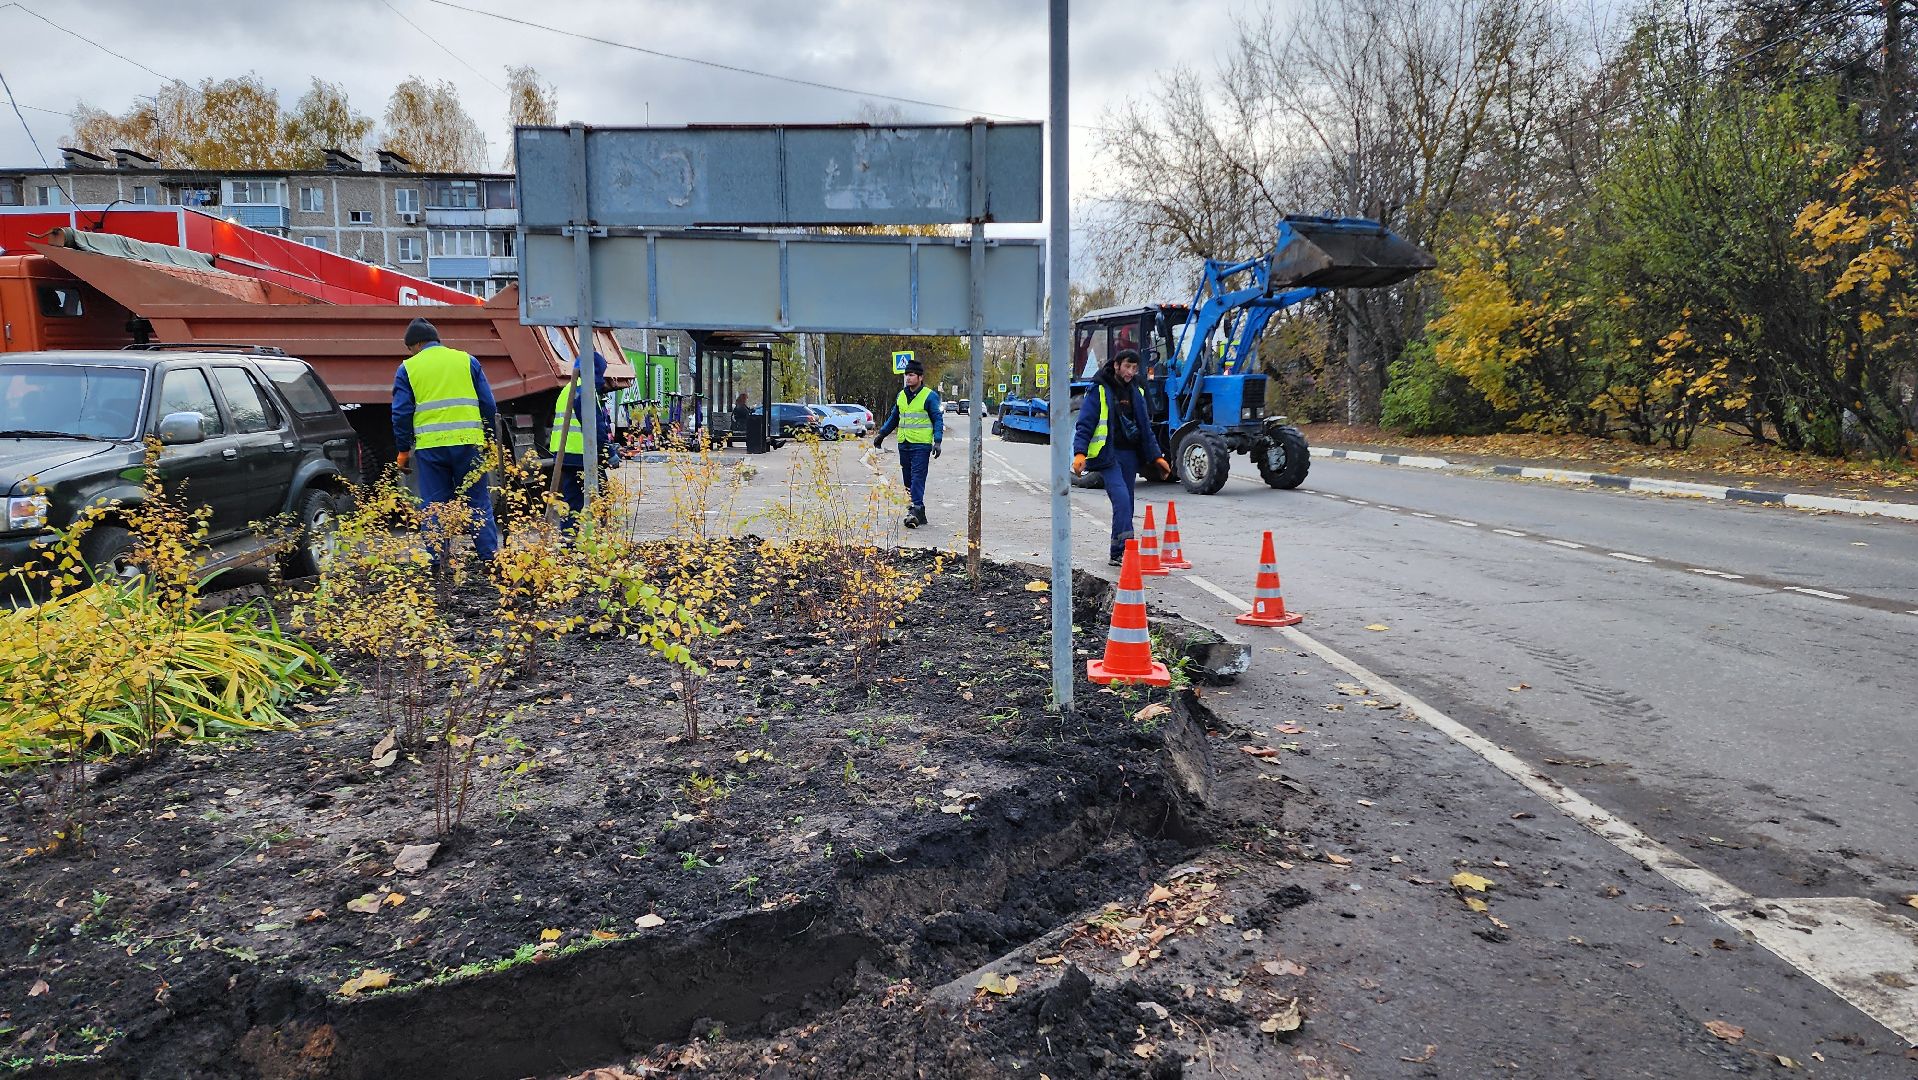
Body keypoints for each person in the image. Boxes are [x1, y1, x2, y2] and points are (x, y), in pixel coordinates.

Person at [392, 317, 499, 564]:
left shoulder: (408, 368)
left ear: (416, 345)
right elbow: (488, 404)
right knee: (477, 502)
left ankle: (438, 562)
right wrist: (488, 438)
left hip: (431, 448)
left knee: (434, 505)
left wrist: (403, 450)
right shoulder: (467, 360)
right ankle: (490, 559)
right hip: (469, 443)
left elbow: (401, 413)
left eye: (410, 349)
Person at [1072, 349, 1169, 566]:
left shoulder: (1137, 391)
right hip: (1108, 455)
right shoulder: (1099, 390)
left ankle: (1117, 552)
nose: (1130, 372)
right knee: (1122, 500)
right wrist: (1080, 452)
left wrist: (1156, 457)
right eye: (1127, 367)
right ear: (1116, 365)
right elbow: (1085, 423)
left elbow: (1145, 428)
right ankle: (1126, 550)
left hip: (1130, 455)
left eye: (1134, 368)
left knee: (1128, 504)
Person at [871, 357, 943, 528]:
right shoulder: (901, 395)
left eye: (912, 375)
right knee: (908, 479)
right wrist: (882, 434)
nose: (908, 378)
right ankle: (920, 512)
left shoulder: (929, 396)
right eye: (906, 375)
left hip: (921, 444)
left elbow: (937, 419)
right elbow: (894, 417)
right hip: (904, 443)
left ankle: (915, 509)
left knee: (918, 476)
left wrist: (938, 441)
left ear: (920, 378)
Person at [549, 350, 613, 530]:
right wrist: (609, 452)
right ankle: (599, 536)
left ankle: (569, 537)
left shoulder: (568, 389)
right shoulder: (584, 391)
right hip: (581, 456)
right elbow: (594, 427)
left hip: (567, 454)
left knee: (572, 499)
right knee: (602, 496)